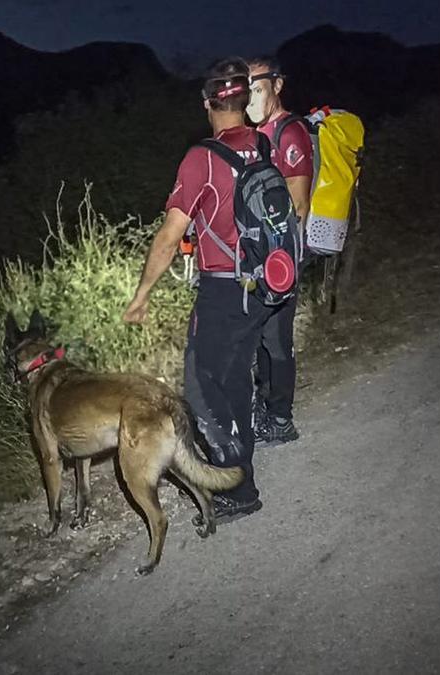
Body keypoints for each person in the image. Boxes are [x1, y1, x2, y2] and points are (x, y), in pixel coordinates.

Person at [123, 57, 274, 522]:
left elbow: (170, 236)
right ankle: (240, 469)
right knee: (231, 381)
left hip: (224, 291)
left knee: (202, 388)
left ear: (209, 102)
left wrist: (142, 294)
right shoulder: (263, 145)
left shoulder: (201, 159)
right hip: (263, 284)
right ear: (243, 99)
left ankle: (238, 488)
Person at [245, 58, 314, 446]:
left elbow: (298, 205)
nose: (251, 98)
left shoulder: (290, 133)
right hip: (260, 258)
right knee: (259, 339)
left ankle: (281, 418)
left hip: (281, 258)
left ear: (277, 85)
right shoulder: (258, 135)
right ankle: (265, 410)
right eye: (246, 90)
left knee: (276, 340)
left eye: (257, 88)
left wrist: (280, 262)